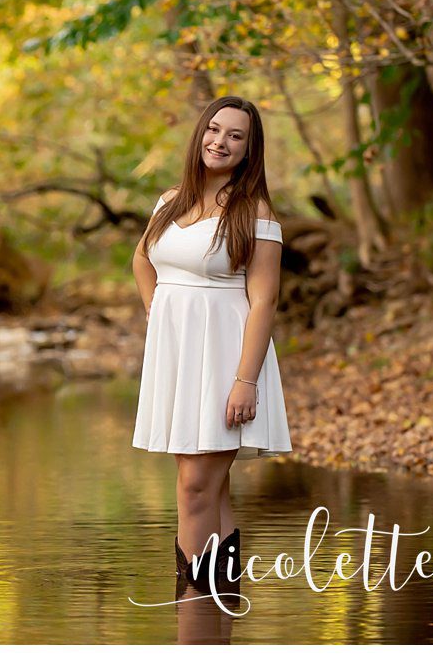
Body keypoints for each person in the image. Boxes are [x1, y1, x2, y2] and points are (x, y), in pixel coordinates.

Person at [130, 95, 291, 599]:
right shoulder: (170, 201)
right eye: (214, 130)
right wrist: (160, 315)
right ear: (201, 132)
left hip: (226, 358)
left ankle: (193, 604)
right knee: (207, 484)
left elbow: (264, 302)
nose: (220, 142)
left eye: (235, 136)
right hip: (178, 357)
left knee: (196, 485)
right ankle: (215, 616)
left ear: (249, 150)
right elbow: (141, 260)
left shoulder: (255, 214)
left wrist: (245, 380)